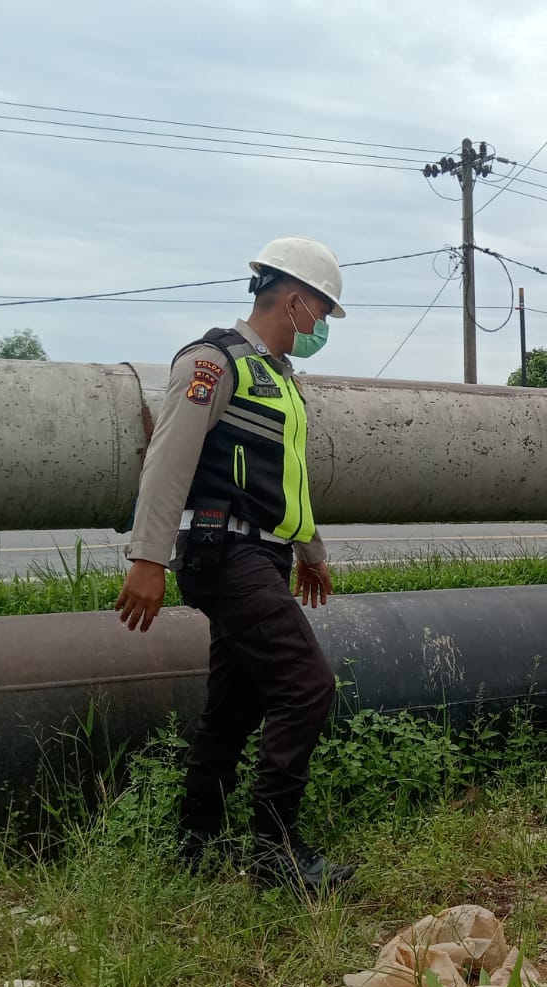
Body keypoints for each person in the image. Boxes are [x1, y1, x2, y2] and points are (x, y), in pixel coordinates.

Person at [113, 236, 353, 890]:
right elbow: (170, 458)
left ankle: (194, 841)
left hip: (263, 554)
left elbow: (289, 480)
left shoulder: (279, 379)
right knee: (307, 685)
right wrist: (148, 557)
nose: (323, 327)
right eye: (324, 314)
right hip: (225, 552)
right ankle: (275, 851)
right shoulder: (215, 362)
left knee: (234, 705)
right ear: (296, 301)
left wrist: (310, 554)